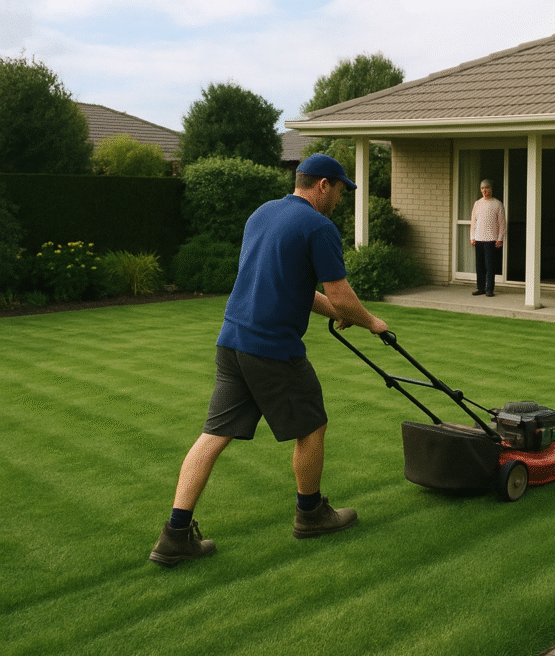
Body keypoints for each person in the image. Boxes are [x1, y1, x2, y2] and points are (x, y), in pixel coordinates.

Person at [149, 153, 388, 568]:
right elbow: (341, 294)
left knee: (212, 436)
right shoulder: (319, 226)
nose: (339, 200)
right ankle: (311, 513)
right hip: (273, 348)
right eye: (339, 190)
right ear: (323, 185)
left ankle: (174, 535)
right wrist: (371, 322)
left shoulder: (261, 215)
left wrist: (338, 313)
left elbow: (290, 289)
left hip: (232, 341)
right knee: (312, 425)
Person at [469, 179, 506, 297]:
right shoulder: (477, 204)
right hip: (478, 239)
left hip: (491, 240)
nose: (485, 190)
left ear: (491, 189)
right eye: (482, 188)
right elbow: (473, 222)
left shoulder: (497, 204)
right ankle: (480, 288)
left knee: (490, 266)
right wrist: (472, 237)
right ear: (481, 190)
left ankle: (489, 289)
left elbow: (502, 223)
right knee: (479, 266)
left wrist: (500, 238)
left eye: (487, 188)